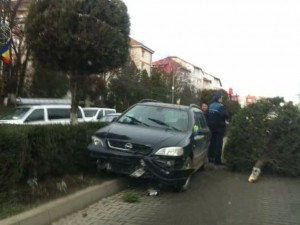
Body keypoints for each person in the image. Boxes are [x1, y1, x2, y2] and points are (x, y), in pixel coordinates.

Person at [207, 92, 229, 165]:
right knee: (218, 144)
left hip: (211, 127)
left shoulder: (211, 106)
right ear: (218, 99)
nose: (222, 99)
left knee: (212, 143)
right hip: (219, 128)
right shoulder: (220, 106)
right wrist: (226, 113)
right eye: (221, 98)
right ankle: (217, 160)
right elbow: (225, 115)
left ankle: (210, 158)